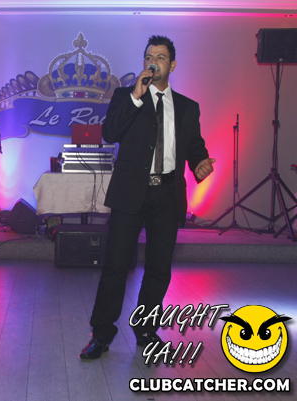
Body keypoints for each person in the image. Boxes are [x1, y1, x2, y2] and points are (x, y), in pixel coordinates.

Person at [79, 35, 216, 360]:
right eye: (149, 57)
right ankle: (102, 333)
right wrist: (136, 97)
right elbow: (110, 133)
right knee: (116, 265)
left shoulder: (187, 107)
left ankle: (146, 330)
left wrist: (199, 161)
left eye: (161, 57)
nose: (153, 62)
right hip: (130, 192)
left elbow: (193, 144)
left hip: (167, 194)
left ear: (173, 65)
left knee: (158, 268)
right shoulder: (126, 96)